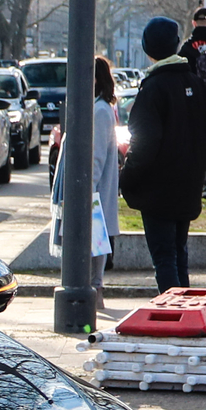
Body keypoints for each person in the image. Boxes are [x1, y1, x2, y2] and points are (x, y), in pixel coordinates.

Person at [118, 19, 206, 292]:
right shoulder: (197, 85)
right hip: (188, 186)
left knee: (164, 259)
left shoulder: (153, 89)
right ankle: (186, 310)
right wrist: (198, 166)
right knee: (179, 255)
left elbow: (143, 144)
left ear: (147, 48)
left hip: (158, 191)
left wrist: (126, 179)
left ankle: (173, 313)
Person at [50, 55, 127, 299]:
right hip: (89, 190)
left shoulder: (100, 111)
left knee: (94, 242)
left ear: (94, 78)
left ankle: (96, 291)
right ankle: (95, 289)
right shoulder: (94, 107)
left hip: (91, 192)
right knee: (90, 240)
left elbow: (96, 157)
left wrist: (85, 191)